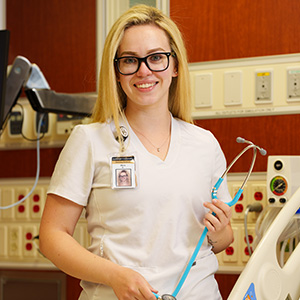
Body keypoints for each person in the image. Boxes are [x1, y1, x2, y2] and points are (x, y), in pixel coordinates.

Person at [39, 4, 233, 300]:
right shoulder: (90, 140)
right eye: (130, 60)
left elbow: (221, 240)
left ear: (175, 65)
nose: (144, 71)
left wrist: (221, 233)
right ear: (116, 71)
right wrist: (114, 275)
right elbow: (52, 238)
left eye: (156, 58)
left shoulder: (204, 144)